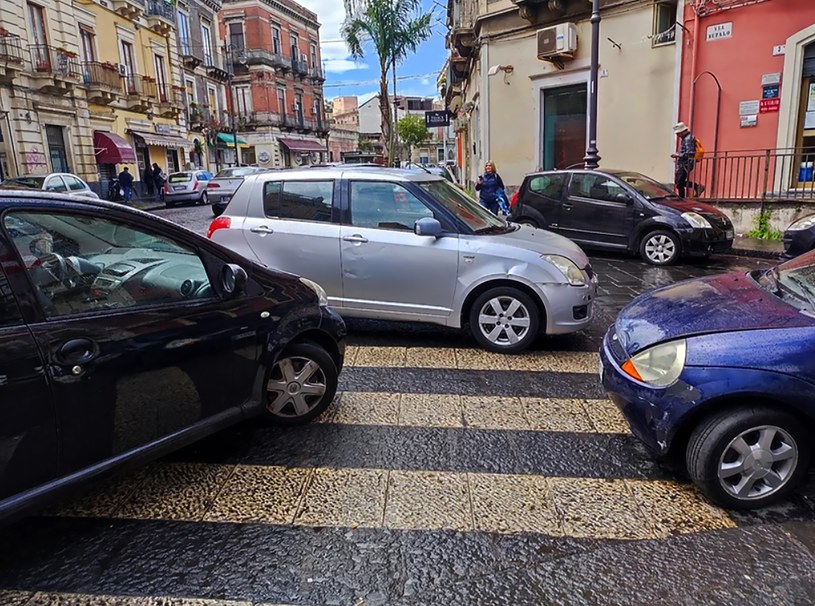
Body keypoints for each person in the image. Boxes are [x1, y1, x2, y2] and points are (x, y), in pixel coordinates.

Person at [671, 122, 704, 198]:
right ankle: (696, 187)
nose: (678, 135)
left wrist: (678, 155)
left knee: (679, 183)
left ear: (683, 131)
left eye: (678, 133)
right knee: (679, 182)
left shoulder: (688, 139)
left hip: (686, 164)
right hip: (685, 163)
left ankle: (682, 198)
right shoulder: (686, 138)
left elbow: (690, 153)